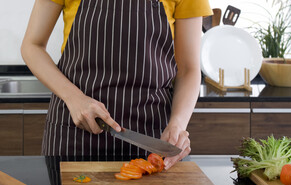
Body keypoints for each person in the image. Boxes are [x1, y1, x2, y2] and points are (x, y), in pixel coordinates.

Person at [21, 0, 212, 169]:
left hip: (152, 137)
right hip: (75, 132)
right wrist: (74, 98)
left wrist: (177, 124)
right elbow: (32, 45)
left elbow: (188, 69)